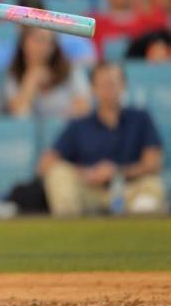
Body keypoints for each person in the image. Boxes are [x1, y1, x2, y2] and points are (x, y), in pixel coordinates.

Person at [38, 62, 166, 216]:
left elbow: (153, 163)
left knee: (153, 185)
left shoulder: (140, 118)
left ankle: (138, 229)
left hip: (129, 189)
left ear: (123, 85)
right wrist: (86, 173)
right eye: (103, 85)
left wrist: (117, 171)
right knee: (59, 173)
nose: (108, 90)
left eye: (113, 84)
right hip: (90, 191)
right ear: (93, 89)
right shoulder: (79, 124)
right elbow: (45, 164)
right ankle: (69, 231)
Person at [6, 26, 90, 119]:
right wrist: (31, 82)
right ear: (24, 42)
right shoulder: (14, 75)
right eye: (39, 39)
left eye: (50, 42)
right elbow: (18, 115)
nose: (44, 47)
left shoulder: (71, 71)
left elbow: (83, 109)